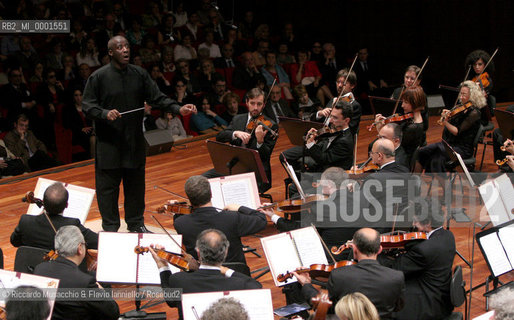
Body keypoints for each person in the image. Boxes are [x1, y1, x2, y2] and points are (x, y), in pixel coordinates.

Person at [82, 35, 197, 233]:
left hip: (133, 142)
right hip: (109, 145)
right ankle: (110, 229)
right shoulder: (98, 77)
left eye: (126, 46)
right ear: (110, 52)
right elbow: (87, 105)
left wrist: (179, 109)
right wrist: (104, 113)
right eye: (119, 47)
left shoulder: (139, 74)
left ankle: (135, 225)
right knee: (107, 190)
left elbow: (158, 98)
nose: (125, 50)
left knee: (135, 188)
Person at [293, 228, 405, 320]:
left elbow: (326, 308)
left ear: (354, 250)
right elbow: (398, 307)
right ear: (380, 249)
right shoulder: (396, 277)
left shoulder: (339, 275)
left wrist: (306, 284)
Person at [150, 229, 261, 319]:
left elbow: (171, 301)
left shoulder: (178, 279)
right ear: (225, 252)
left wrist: (162, 265)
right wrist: (226, 270)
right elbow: (256, 286)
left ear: (198, 252)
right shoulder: (238, 284)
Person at [378, 199, 456, 320]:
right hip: (443, 297)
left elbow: (395, 268)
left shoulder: (423, 250)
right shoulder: (448, 236)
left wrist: (377, 255)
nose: (413, 224)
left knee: (385, 302)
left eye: (416, 221)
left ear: (428, 222)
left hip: (429, 304)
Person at [171, 176, 267, 267]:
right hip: (236, 275)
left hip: (203, 278)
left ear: (189, 198)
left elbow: (182, 222)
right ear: (211, 194)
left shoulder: (181, 224)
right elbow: (261, 220)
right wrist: (239, 207)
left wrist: (176, 210)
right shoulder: (231, 218)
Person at [34, 226, 120, 320]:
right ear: (80, 249)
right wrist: (100, 289)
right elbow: (113, 313)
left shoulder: (39, 269)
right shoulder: (85, 282)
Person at [203, 88, 278, 192]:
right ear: (247, 102)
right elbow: (220, 137)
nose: (255, 107)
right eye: (252, 103)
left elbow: (266, 155)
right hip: (235, 166)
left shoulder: (270, 125)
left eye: (259, 104)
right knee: (202, 180)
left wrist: (260, 141)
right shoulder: (238, 119)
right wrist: (235, 133)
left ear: (264, 105)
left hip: (256, 173)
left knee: (232, 189)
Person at [416, 80, 485, 174]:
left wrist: (445, 122)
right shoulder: (460, 107)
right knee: (436, 160)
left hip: (462, 149)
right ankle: (416, 182)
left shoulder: (474, 113)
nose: (461, 97)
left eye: (464, 94)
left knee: (422, 151)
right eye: (461, 93)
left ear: (472, 96)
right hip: (450, 144)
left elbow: (456, 131)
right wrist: (448, 116)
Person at [11, 182, 98, 250]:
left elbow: (14, 241)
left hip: (31, 268)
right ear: (66, 205)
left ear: (43, 202)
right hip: (59, 272)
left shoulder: (25, 221)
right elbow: (97, 242)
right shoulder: (72, 224)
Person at [280, 100, 354, 173]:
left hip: (328, 171)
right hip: (320, 148)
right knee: (284, 156)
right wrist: (313, 135)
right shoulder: (335, 128)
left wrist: (311, 144)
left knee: (301, 166)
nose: (330, 120)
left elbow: (324, 159)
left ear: (346, 120)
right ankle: (297, 177)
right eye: (331, 116)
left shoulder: (345, 141)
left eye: (335, 118)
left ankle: (299, 180)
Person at [375, 86, 426, 165]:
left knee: (375, 147)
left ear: (414, 102)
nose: (402, 105)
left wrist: (380, 130)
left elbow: (394, 146)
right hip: (400, 155)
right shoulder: (413, 119)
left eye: (405, 102)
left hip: (400, 161)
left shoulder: (413, 128)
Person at [315, 69, 362, 136]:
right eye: (338, 82)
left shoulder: (355, 106)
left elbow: (349, 131)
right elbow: (322, 122)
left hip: (337, 141)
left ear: (352, 85)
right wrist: (320, 113)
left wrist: (328, 132)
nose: (339, 85)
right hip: (322, 138)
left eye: (344, 83)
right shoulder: (333, 100)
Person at [391, 65, 429, 135]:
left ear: (418, 81)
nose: (408, 80)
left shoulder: (420, 95)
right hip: (395, 128)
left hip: (412, 130)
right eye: (407, 77)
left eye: (412, 78)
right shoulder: (397, 91)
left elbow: (423, 122)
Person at [62, 88, 95, 161]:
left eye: (80, 95)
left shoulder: (87, 107)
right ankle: (93, 162)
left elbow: (93, 120)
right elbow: (68, 124)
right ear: (73, 97)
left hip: (90, 130)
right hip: (78, 133)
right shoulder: (69, 109)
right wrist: (81, 129)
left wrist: (93, 129)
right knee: (93, 139)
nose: (78, 98)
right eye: (76, 95)